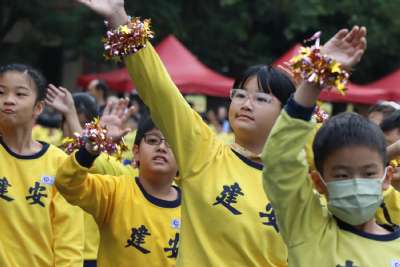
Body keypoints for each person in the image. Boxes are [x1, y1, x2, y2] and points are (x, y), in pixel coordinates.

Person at [72, 1, 370, 266]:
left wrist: (315, 79)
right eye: (239, 95)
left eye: (262, 99)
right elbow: (161, 91)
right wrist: (119, 19)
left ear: (285, 113)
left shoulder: (299, 178)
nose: (246, 104)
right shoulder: (204, 153)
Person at [261, 28, 400, 265]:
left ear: (386, 178)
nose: (356, 183)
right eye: (342, 175)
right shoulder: (306, 228)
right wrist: (317, 75)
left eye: (368, 173)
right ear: (318, 182)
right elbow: (280, 161)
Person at [55, 115, 181, 267]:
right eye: (152, 140)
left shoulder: (192, 210)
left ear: (182, 158)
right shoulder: (114, 191)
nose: (161, 147)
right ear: (136, 152)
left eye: (171, 143)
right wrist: (89, 150)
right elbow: (67, 183)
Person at [0, 63, 84, 266]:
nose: (8, 100)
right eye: (1, 92)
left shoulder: (59, 163)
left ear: (38, 107)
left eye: (20, 94)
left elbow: (69, 241)